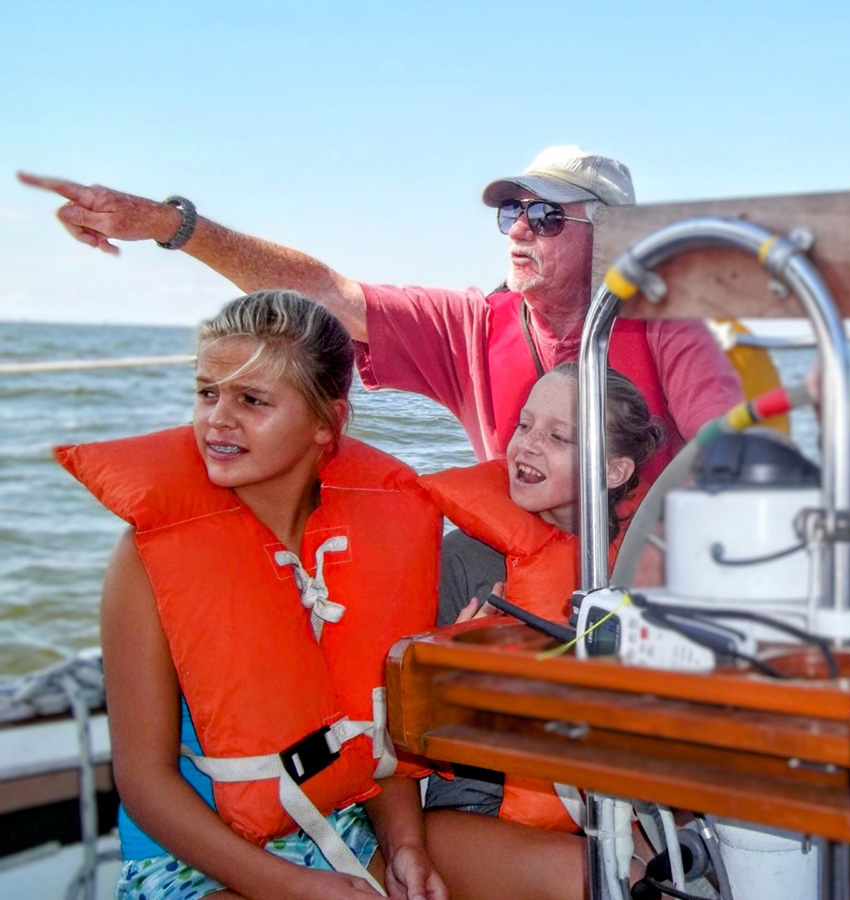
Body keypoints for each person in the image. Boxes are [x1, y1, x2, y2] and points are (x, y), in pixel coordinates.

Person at [19, 145, 743, 478]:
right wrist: (171, 227)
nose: (520, 229)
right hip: (519, 565)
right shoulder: (471, 326)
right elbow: (330, 293)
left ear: (613, 235)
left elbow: (728, 451)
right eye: (513, 214)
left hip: (639, 576)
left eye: (548, 215)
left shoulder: (671, 327)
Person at [57, 291, 448, 900]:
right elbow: (144, 783)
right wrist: (295, 887)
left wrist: (406, 848)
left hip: (347, 821)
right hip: (192, 858)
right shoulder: (148, 558)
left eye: (251, 400)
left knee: (568, 873)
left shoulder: (370, 539)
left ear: (327, 422)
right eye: (207, 392)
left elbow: (371, 728)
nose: (218, 418)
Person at [417, 362, 664, 900]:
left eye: (557, 436)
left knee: (694, 861)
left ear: (615, 469)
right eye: (524, 426)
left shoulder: (638, 567)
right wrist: (448, 676)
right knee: (617, 883)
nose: (525, 446)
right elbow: (405, 739)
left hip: (608, 801)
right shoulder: (464, 560)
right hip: (473, 816)